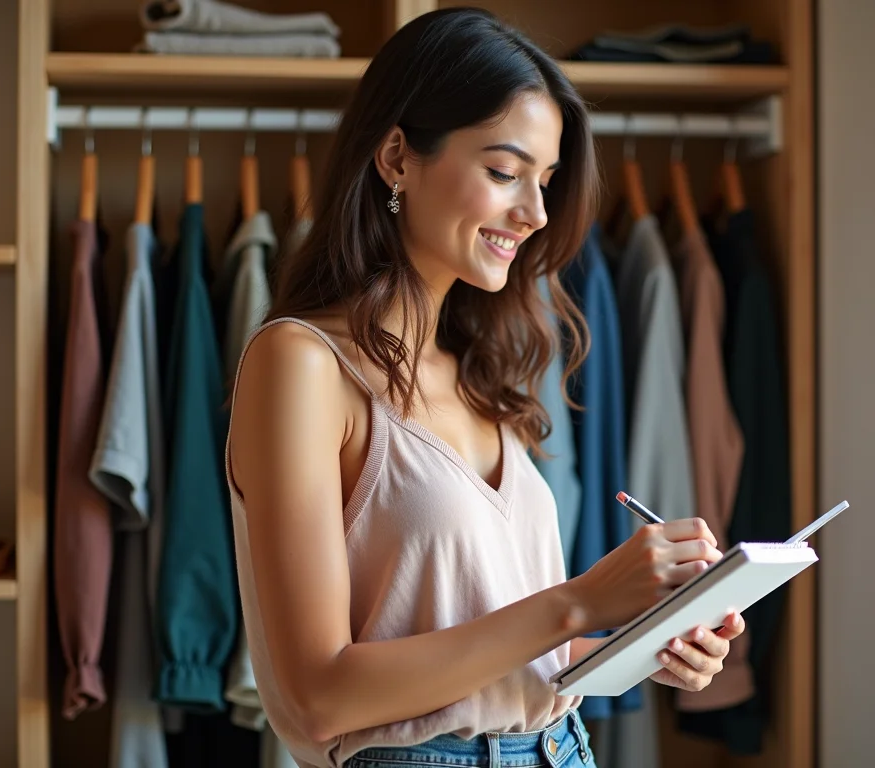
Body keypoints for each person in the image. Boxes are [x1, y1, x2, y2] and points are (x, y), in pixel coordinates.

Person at [224, 7, 746, 768]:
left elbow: (483, 654)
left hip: (560, 749)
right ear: (397, 157)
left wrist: (634, 646)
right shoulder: (300, 364)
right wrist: (577, 604)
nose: (535, 213)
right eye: (505, 172)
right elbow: (318, 696)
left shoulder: (477, 367)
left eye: (546, 181)